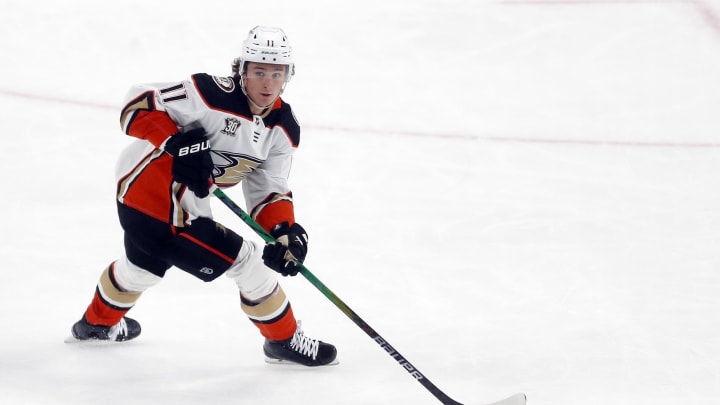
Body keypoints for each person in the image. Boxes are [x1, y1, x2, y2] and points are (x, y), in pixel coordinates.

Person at [68, 26, 337, 367]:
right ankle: (282, 340)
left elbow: (267, 188)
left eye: (276, 73)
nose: (267, 83)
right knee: (248, 261)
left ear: (288, 75)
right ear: (241, 70)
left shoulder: (283, 127)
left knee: (143, 269)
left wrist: (283, 230)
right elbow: (135, 107)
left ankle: (95, 325)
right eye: (258, 72)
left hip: (173, 204)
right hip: (153, 199)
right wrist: (176, 143)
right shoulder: (209, 95)